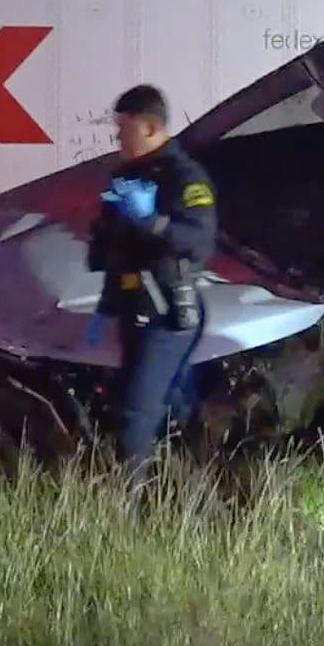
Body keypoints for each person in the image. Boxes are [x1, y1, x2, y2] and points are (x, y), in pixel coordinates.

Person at [86, 84, 218, 488]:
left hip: (165, 313)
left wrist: (151, 221)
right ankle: (190, 493)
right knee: (164, 409)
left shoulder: (184, 176)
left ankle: (127, 514)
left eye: (124, 128)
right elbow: (108, 245)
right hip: (134, 310)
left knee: (134, 414)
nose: (117, 137)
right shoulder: (126, 176)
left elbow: (199, 241)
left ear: (150, 127)